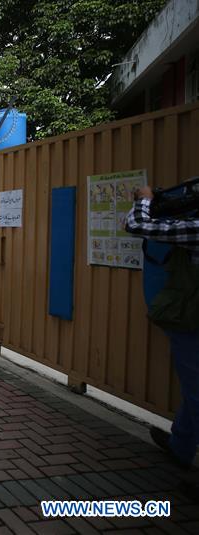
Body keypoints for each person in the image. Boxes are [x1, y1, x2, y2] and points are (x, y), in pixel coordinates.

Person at [125, 185, 199, 474]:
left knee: (196, 392)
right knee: (193, 389)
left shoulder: (193, 228)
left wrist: (145, 200)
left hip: (191, 319)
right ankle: (180, 445)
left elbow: (137, 224)